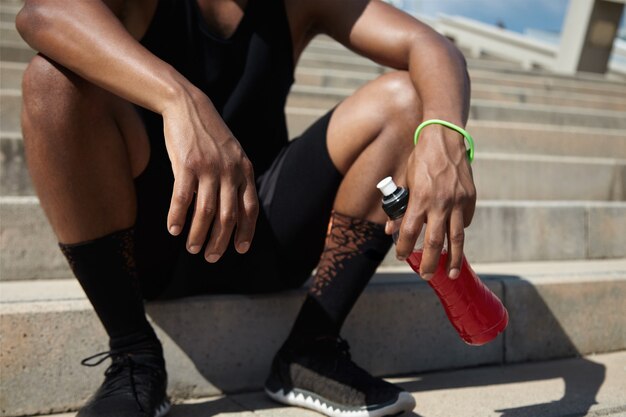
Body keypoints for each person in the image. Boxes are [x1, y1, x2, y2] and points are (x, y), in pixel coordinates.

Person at [16, 0, 475, 415]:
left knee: (411, 100)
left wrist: (445, 136)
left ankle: (311, 347)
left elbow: (428, 44)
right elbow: (42, 12)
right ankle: (134, 356)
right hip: (149, 242)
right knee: (52, 80)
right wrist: (182, 100)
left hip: (267, 234)